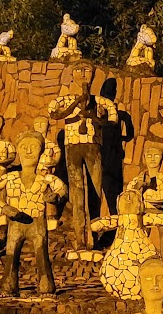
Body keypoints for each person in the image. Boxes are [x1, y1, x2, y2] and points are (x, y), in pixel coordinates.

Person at [47, 59, 118, 247]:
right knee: (76, 191)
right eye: (79, 70)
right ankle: (79, 237)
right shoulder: (65, 100)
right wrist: (76, 104)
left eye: (87, 70)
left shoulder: (102, 102)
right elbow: (54, 114)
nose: (83, 74)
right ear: (73, 74)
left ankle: (93, 236)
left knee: (96, 190)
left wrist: (93, 116)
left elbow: (113, 121)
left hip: (93, 146)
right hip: (72, 147)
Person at [0, 132, 67, 297]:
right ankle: (8, 287)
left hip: (37, 222)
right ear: (17, 151)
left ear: (41, 151)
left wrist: (56, 197)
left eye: (34, 147)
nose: (29, 151)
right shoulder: (10, 178)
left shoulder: (45, 179)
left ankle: (46, 287)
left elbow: (62, 189)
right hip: (16, 223)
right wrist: (4, 208)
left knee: (42, 256)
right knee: (11, 256)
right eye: (24, 147)